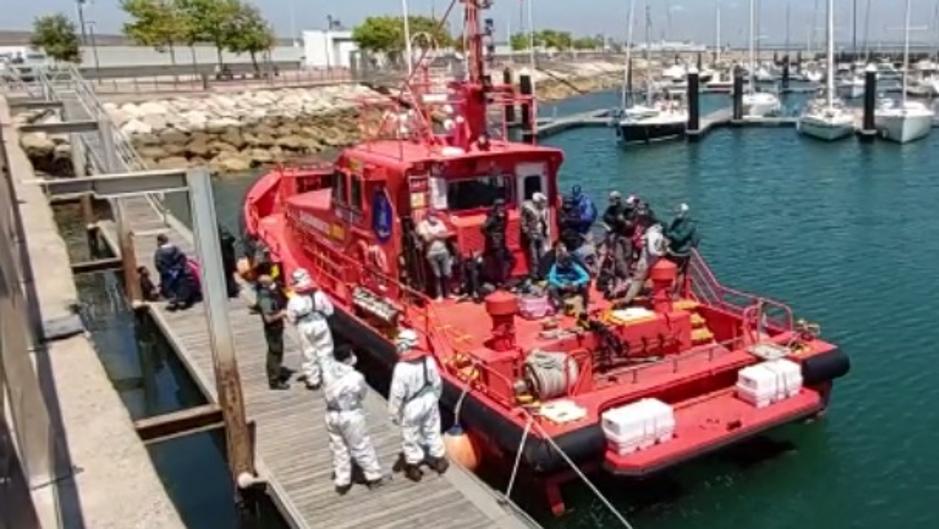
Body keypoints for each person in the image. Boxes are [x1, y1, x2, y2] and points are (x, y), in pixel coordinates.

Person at [322, 345, 385, 495]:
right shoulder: (355, 377)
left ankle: (342, 481)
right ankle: (373, 476)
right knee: (361, 446)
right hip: (350, 414)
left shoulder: (327, 372)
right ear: (349, 358)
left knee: (338, 447)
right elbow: (362, 394)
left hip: (331, 414)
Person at [388, 328, 448, 482]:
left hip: (412, 404)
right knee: (433, 428)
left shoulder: (401, 368)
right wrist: (435, 398)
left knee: (410, 434)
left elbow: (397, 394)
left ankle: (414, 466)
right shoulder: (428, 361)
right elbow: (437, 383)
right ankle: (439, 458)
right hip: (429, 399)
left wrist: (393, 413)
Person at [286, 268, 334, 390]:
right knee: (326, 351)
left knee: (308, 353)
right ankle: (328, 378)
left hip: (304, 326)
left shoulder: (294, 299)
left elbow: (291, 317)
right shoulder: (319, 294)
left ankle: (313, 380)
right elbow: (329, 310)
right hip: (321, 323)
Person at [617, 222, 668, 307]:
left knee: (640, 281)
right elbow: (652, 251)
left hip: (649, 262)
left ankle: (629, 298)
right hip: (646, 262)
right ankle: (627, 299)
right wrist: (661, 253)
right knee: (637, 281)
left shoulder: (653, 235)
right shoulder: (654, 235)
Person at [257, 274, 289, 390]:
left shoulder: (270, 293)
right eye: (270, 283)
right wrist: (282, 313)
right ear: (264, 285)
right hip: (273, 329)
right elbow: (268, 318)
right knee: (275, 353)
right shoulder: (265, 298)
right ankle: (274, 381)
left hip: (277, 328)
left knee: (277, 352)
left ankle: (276, 373)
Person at [416, 210, 453, 300]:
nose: (434, 217)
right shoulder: (422, 225)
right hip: (431, 253)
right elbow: (426, 239)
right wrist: (438, 235)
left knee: (447, 273)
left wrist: (433, 235)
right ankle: (439, 295)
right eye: (432, 215)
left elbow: (446, 234)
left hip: (443, 251)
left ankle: (448, 294)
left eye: (435, 215)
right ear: (428, 216)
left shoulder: (440, 222)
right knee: (437, 275)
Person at [664, 203, 700, 294]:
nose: (678, 214)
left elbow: (680, 238)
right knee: (676, 272)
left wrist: (669, 234)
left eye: (680, 212)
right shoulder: (678, 221)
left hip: (682, 252)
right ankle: (671, 290)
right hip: (674, 250)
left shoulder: (689, 225)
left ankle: (676, 292)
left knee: (679, 273)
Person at [547, 243, 591, 311]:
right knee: (551, 287)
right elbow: (551, 278)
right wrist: (561, 285)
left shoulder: (574, 266)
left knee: (584, 286)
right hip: (562, 285)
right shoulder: (555, 266)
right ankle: (561, 305)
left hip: (573, 285)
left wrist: (575, 283)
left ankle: (585, 305)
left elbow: (586, 276)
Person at [481, 198, 512, 287]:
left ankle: (501, 279)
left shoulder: (504, 215)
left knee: (509, 259)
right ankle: (500, 281)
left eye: (503, 206)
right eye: (500, 206)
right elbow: (483, 228)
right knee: (499, 262)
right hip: (496, 244)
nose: (502, 208)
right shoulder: (492, 217)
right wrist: (492, 237)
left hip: (502, 242)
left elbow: (504, 226)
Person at [521, 192, 550, 279]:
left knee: (542, 254)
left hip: (540, 234)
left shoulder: (541, 209)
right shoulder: (527, 208)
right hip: (532, 234)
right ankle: (534, 274)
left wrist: (546, 232)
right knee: (534, 256)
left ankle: (543, 273)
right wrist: (527, 232)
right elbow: (523, 222)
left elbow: (544, 221)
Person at [218, 225, 240, 298]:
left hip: (222, 260)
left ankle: (228, 290)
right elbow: (233, 239)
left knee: (226, 276)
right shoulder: (225, 236)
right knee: (229, 276)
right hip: (229, 259)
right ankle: (232, 290)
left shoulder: (215, 240)